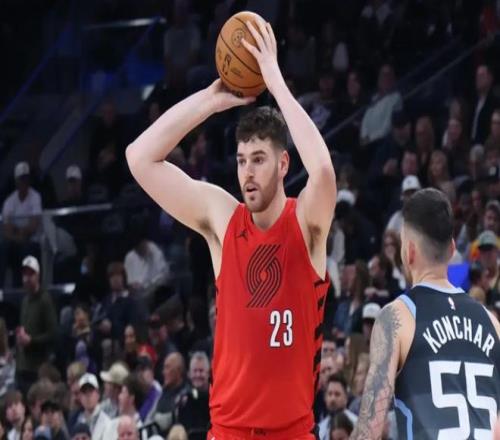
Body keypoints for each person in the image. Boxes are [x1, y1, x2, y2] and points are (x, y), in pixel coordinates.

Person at [126, 17, 335, 440]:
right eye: (241, 161)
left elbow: (324, 171)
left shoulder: (306, 222)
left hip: (292, 433)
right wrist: (209, 99)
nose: (247, 173)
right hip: (228, 432)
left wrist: (275, 83)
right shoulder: (224, 219)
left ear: (283, 164)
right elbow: (140, 157)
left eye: (258, 159)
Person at [351, 188, 500, 439]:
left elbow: (369, 430)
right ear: (452, 249)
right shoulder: (491, 322)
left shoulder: (397, 318)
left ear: (409, 251)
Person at [15, 256, 57, 396]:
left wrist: (31, 340)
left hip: (37, 368)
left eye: (31, 274)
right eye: (25, 274)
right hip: (23, 366)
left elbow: (53, 334)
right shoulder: (25, 301)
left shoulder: (45, 300)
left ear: (38, 275)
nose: (27, 278)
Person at [0, 162, 42, 286]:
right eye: (21, 179)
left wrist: (16, 229)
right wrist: (20, 235)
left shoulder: (36, 197)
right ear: (16, 181)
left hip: (32, 241)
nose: (24, 182)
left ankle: (28, 288)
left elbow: (34, 226)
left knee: (27, 249)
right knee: (3, 247)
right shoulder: (9, 202)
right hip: (16, 242)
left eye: (26, 178)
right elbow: (6, 231)